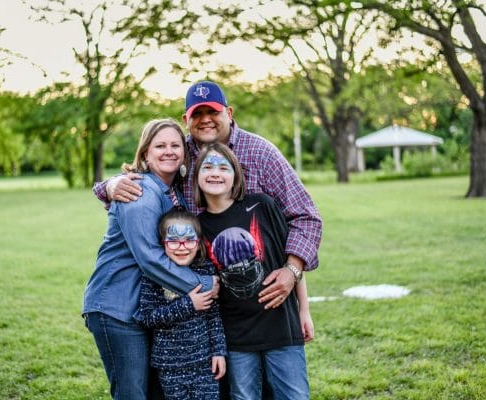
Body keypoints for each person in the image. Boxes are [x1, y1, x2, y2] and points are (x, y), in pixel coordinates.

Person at [94, 80, 322, 312]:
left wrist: (292, 270)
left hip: (262, 294)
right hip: (204, 294)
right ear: (186, 120)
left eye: (212, 111)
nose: (205, 119)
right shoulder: (180, 152)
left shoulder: (261, 153)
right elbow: (147, 172)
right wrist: (110, 186)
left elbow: (305, 216)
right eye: (197, 113)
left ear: (229, 113)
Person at [82, 118, 220, 400]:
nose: (168, 151)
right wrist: (203, 284)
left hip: (141, 307)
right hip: (116, 306)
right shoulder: (141, 192)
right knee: (132, 393)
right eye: (160, 145)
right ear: (145, 153)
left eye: (175, 145)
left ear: (184, 152)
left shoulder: (171, 190)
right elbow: (151, 259)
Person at [195, 142, 310, 399]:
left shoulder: (262, 206)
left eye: (224, 167)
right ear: (197, 177)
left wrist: (304, 310)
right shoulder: (197, 227)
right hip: (236, 336)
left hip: (282, 327)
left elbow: (292, 261)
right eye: (208, 167)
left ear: (236, 174)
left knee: (294, 395)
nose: (215, 173)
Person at [134, 208, 227, 400]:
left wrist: (219, 352)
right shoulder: (155, 275)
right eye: (173, 241)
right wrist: (188, 304)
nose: (182, 247)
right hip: (170, 365)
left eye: (189, 240)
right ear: (163, 244)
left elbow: (213, 317)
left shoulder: (205, 270)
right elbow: (148, 317)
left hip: (204, 363)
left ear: (199, 242)